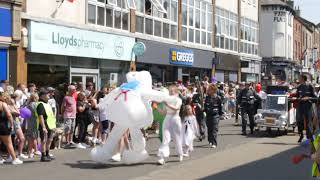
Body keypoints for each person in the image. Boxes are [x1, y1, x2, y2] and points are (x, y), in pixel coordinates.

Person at [158, 85, 183, 165]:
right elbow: (163, 113)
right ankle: (162, 157)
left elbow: (176, 109)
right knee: (165, 138)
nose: (170, 92)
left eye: (171, 91)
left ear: (175, 92)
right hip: (167, 119)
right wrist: (156, 107)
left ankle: (180, 153)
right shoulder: (167, 100)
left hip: (175, 119)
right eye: (169, 91)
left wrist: (167, 104)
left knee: (177, 138)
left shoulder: (178, 100)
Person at [0, 91, 23, 165]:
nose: (4, 97)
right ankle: (14, 159)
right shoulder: (3, 104)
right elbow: (9, 115)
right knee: (9, 143)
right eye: (3, 96)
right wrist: (12, 124)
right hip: (4, 125)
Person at [295, 75, 317, 142]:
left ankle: (309, 137)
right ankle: (301, 135)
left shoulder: (310, 87)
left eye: (300, 78)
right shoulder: (299, 87)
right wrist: (296, 98)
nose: (299, 79)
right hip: (300, 106)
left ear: (303, 79)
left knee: (308, 121)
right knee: (299, 121)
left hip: (308, 106)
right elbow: (297, 96)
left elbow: (315, 98)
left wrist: (308, 98)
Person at [36, 90, 57, 162]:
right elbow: (40, 116)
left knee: (49, 140)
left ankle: (47, 154)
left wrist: (54, 125)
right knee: (44, 140)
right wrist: (43, 127)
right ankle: (43, 155)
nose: (49, 95)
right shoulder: (40, 104)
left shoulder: (47, 104)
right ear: (42, 96)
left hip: (50, 124)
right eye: (47, 94)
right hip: (44, 124)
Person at [25, 93, 41, 158]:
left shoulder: (28, 105)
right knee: (34, 137)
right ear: (35, 98)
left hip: (29, 122)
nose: (38, 98)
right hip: (34, 122)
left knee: (30, 137)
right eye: (37, 97)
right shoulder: (35, 104)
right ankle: (34, 151)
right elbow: (38, 114)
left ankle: (30, 152)